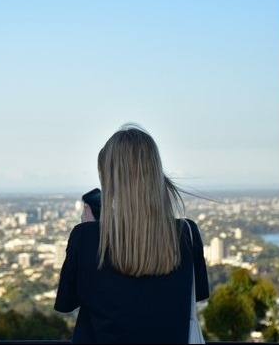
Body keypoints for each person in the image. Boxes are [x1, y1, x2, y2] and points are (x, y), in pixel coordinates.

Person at [54, 123, 209, 343]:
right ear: (155, 173)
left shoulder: (86, 237)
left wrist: (90, 228)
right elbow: (196, 295)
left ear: (111, 180)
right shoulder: (187, 233)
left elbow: (65, 303)